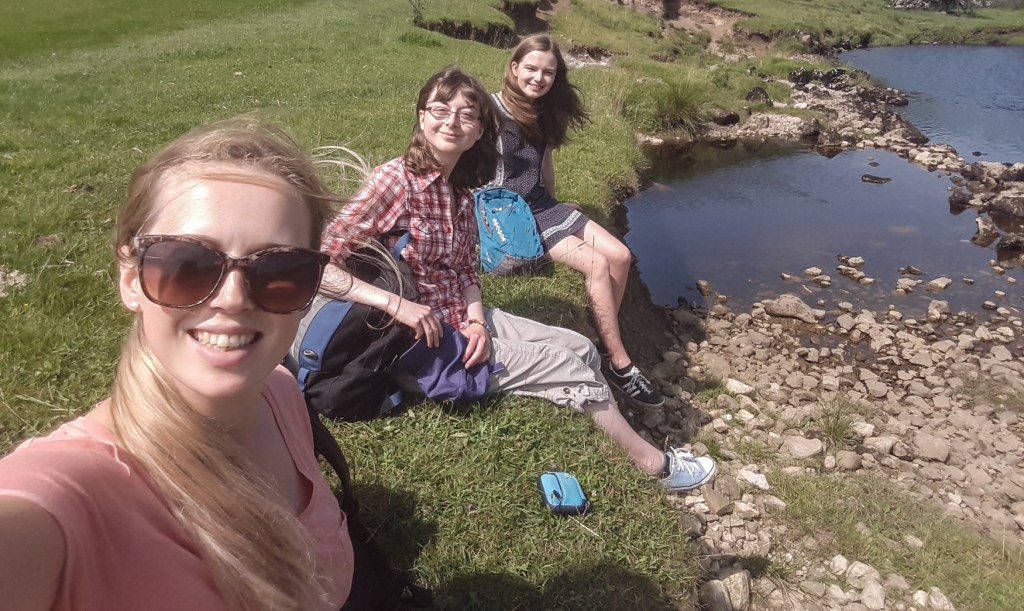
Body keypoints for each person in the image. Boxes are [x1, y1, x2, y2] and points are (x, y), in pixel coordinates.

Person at [0, 121, 355, 610]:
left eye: (279, 271)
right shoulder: (69, 495)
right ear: (130, 278)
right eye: (188, 264)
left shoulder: (279, 394)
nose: (232, 299)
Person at [319, 66, 715, 494]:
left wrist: (475, 322)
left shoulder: (461, 193)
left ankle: (600, 416)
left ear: (478, 134)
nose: (452, 121)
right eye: (440, 109)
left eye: (467, 115)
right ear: (421, 117)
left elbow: (467, 271)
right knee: (567, 366)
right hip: (417, 343)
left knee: (580, 346)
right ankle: (654, 465)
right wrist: (396, 305)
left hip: (459, 319)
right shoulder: (393, 181)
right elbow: (320, 266)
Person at [490, 34, 664, 407]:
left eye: (548, 73)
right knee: (596, 265)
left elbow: (544, 163)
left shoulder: (544, 112)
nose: (538, 78)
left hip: (539, 204)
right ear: (514, 67)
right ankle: (619, 364)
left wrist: (556, 203)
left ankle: (607, 335)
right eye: (531, 69)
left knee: (620, 256)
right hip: (509, 214)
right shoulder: (491, 111)